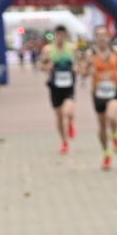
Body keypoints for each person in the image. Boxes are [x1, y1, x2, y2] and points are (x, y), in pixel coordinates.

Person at [82, 25, 117, 170]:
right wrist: (88, 70)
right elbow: (82, 72)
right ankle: (106, 154)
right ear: (95, 38)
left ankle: (114, 136)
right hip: (98, 93)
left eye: (104, 35)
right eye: (98, 35)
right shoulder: (90, 54)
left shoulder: (116, 51)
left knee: (111, 117)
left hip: (115, 90)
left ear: (108, 37)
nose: (102, 38)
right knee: (101, 126)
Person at [40, 24, 79, 154]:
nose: (60, 37)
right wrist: (47, 67)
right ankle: (64, 142)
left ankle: (71, 123)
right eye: (58, 35)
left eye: (62, 35)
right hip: (55, 86)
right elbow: (42, 65)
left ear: (66, 35)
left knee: (69, 112)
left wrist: (77, 68)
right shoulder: (48, 50)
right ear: (55, 35)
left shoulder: (72, 48)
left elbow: (79, 63)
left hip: (69, 85)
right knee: (59, 116)